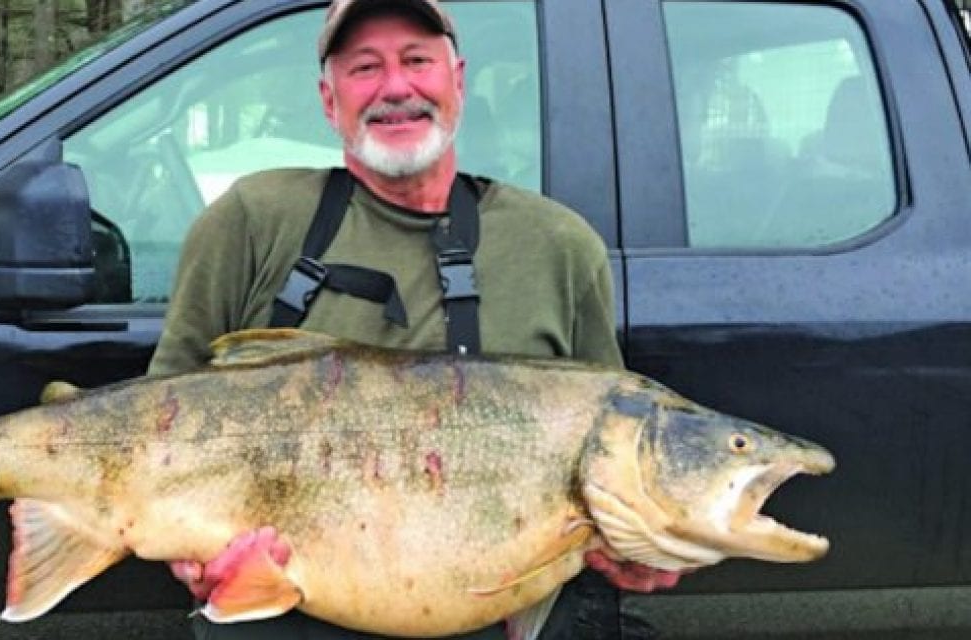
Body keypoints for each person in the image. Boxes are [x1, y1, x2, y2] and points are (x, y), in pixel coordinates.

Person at [147, 0, 681, 637]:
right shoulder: (251, 221)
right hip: (282, 602)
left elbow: (610, 455)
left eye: (417, 61)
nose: (395, 87)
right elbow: (161, 417)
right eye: (365, 67)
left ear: (458, 79)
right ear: (328, 98)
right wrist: (186, 539)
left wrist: (645, 542)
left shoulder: (559, 248)